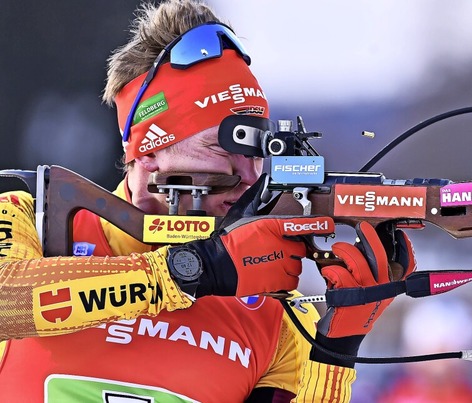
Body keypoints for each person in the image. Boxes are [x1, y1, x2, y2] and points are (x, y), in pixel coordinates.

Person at [0, 0, 416, 401]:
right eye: (224, 147)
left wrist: (336, 350)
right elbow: (5, 303)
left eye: (257, 151)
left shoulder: (273, 311)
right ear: (149, 151)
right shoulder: (30, 214)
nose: (250, 176)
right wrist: (187, 271)